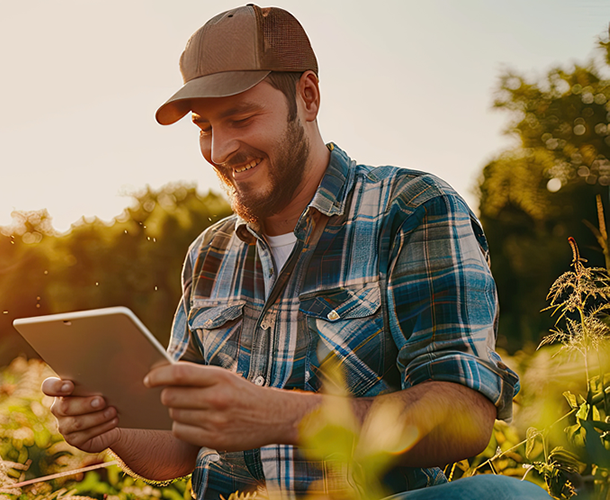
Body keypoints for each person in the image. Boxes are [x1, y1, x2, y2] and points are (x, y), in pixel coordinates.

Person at [42, 5, 550, 499]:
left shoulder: (412, 208)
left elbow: (462, 415)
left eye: (240, 117)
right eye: (204, 127)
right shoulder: (208, 254)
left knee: (508, 496)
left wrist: (277, 414)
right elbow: (177, 450)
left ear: (307, 97)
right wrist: (113, 432)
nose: (219, 150)